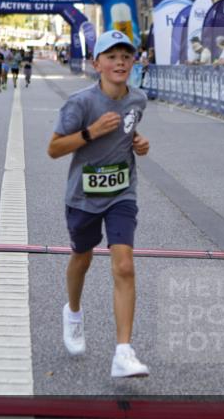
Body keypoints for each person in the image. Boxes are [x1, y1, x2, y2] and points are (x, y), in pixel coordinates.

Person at [47, 30, 151, 378]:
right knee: (82, 257)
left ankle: (123, 351)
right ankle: (73, 312)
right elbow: (54, 149)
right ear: (97, 64)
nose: (119, 62)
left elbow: (128, 130)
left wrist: (138, 142)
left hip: (122, 192)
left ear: (133, 62)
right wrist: (91, 132)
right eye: (111, 56)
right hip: (83, 195)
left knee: (124, 265)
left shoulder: (138, 100)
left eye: (126, 56)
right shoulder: (80, 103)